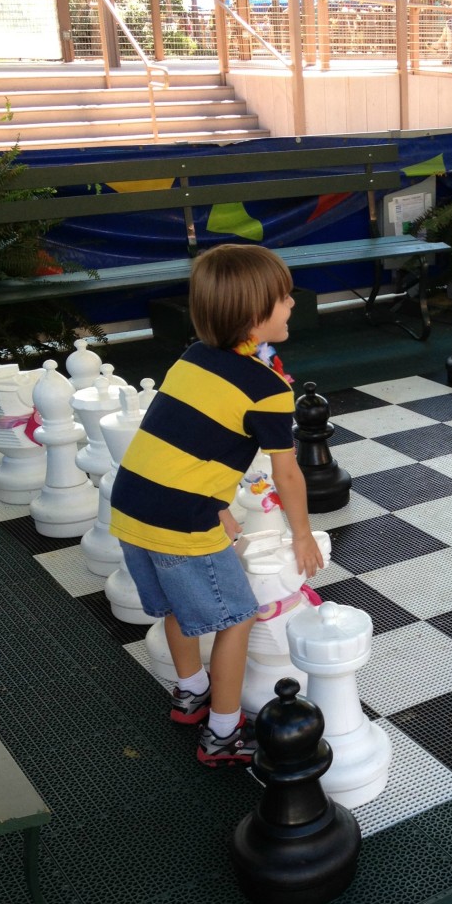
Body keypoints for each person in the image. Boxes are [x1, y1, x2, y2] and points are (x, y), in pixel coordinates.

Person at [109, 244, 324, 764]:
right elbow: (287, 470)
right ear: (254, 316)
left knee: (178, 611)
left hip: (132, 503)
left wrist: (221, 508)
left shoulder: (191, 358)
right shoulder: (267, 387)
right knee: (238, 618)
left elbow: (185, 441)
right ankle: (223, 734)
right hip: (181, 519)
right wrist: (300, 533)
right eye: (284, 297)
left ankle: (191, 694)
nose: (293, 304)